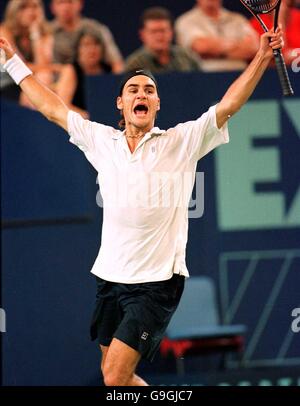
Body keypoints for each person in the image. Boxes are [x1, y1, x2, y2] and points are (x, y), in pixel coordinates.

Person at [0, 25, 283, 386]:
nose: (142, 94)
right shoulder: (102, 140)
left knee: (116, 379)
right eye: (133, 89)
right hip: (110, 278)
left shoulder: (182, 140)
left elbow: (229, 104)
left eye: (149, 90)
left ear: (157, 104)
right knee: (115, 377)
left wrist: (260, 57)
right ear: (121, 103)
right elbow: (53, 107)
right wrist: (14, 64)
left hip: (156, 284)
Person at [175, 0, 259, 72]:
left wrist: (216, 52)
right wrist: (238, 45)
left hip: (242, 75)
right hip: (204, 77)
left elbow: (254, 47)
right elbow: (201, 46)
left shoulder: (238, 19)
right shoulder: (186, 21)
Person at [50, 0, 124, 73]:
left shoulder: (96, 29)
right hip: (57, 81)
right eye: (61, 2)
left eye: (70, 2)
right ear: (52, 7)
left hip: (92, 79)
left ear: (80, 3)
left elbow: (116, 63)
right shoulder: (47, 33)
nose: (66, 7)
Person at [125, 7, 201, 73]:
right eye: (153, 32)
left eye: (163, 30)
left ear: (171, 32)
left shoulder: (186, 56)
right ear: (143, 35)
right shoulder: (135, 65)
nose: (159, 36)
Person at [71, 29, 112, 111]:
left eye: (96, 44)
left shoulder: (108, 70)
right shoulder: (71, 70)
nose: (92, 49)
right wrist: (87, 118)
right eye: (86, 44)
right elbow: (64, 104)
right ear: (78, 49)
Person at [250, 0, 300, 65]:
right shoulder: (256, 24)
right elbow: (276, 55)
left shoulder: (298, 16)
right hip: (270, 71)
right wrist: (279, 19)